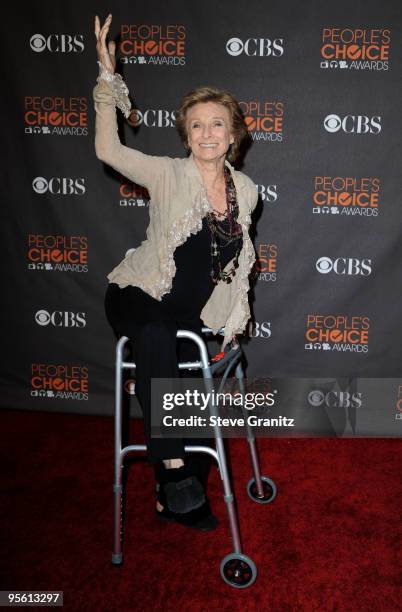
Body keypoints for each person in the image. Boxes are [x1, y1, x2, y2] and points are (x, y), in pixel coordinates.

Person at [94, 14, 259, 531]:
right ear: (185, 135)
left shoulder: (247, 191)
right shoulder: (167, 172)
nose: (207, 133)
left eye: (217, 124)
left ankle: (176, 473)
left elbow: (235, 268)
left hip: (189, 315)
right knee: (155, 333)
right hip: (137, 294)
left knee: (169, 345)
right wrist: (107, 80)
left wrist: (232, 323)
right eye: (196, 125)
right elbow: (108, 149)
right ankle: (173, 475)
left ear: (232, 134)